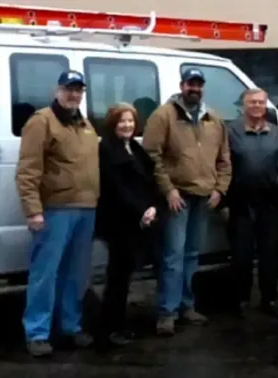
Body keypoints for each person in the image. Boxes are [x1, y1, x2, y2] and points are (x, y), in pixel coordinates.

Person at [142, 68, 232, 336]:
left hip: (204, 197)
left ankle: (186, 305)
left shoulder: (214, 119)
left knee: (192, 254)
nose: (195, 89)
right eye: (190, 84)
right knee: (173, 256)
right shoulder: (163, 116)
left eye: (198, 84)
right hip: (177, 199)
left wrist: (220, 189)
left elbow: (224, 159)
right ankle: (167, 312)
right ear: (181, 85)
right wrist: (168, 190)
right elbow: (151, 157)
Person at [16, 70, 99, 357]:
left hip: (86, 208)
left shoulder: (85, 124)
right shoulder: (41, 121)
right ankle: (37, 333)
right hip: (55, 209)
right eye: (68, 89)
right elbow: (28, 171)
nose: (74, 95)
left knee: (76, 274)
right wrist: (33, 210)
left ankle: (70, 327)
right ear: (57, 91)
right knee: (45, 273)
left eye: (78, 90)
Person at [95, 103, 165, 347]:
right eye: (122, 121)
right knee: (117, 277)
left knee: (125, 275)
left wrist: (153, 206)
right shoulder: (106, 149)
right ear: (112, 124)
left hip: (139, 220)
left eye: (131, 121)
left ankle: (118, 324)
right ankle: (109, 329)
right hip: (119, 222)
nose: (127, 125)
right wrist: (141, 211)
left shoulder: (134, 147)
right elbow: (115, 187)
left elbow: (149, 181)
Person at [226, 88, 278, 317]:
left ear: (266, 105)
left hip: (270, 202)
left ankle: (269, 299)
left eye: (261, 102)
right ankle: (241, 299)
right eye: (252, 102)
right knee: (241, 255)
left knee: (270, 254)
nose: (256, 106)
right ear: (243, 105)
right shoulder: (230, 131)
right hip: (240, 202)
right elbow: (222, 165)